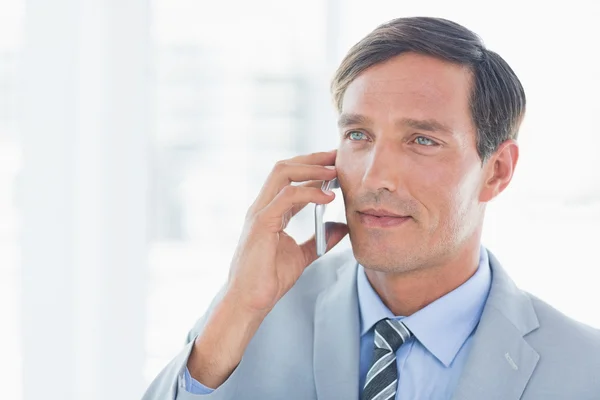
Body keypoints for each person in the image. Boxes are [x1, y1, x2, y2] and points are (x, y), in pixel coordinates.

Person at [142, 16, 600, 400]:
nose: (375, 176)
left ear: (497, 170)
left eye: (422, 140)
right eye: (358, 135)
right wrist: (239, 306)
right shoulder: (249, 315)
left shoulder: (584, 368)